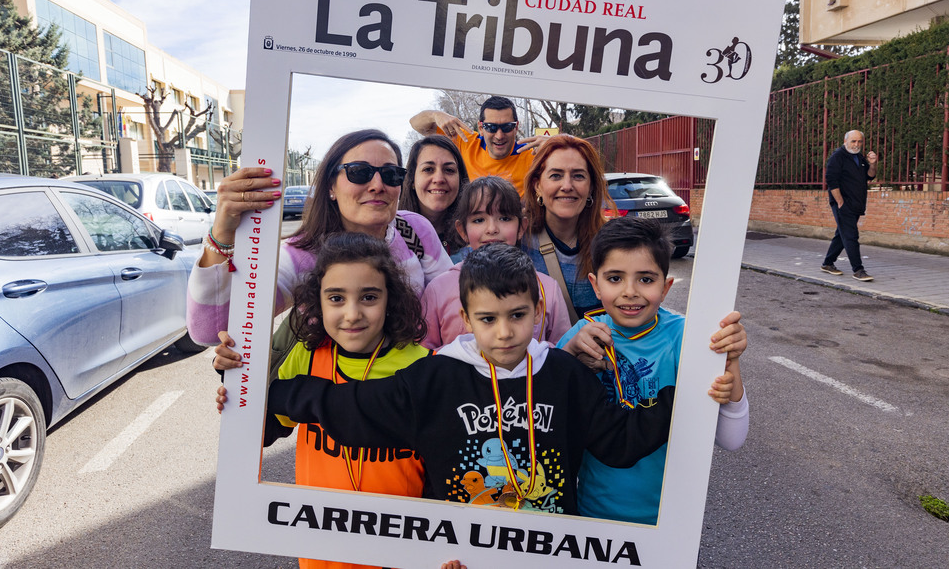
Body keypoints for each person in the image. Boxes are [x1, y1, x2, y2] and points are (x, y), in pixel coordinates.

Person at [263, 243, 738, 515]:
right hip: (457, 551)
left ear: (540, 311)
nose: (505, 331)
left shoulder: (564, 374)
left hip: (549, 551)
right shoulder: (434, 376)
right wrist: (271, 395)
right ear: (466, 319)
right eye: (488, 319)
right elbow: (356, 410)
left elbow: (619, 439)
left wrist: (691, 391)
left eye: (518, 315)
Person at [216, 233, 430, 569]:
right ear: (319, 301)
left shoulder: (423, 366)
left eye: (369, 297)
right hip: (323, 552)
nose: (352, 314)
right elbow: (263, 431)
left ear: (392, 299)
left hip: (403, 550)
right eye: (336, 298)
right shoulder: (307, 356)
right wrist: (237, 389)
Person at [556, 216, 749, 524]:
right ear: (595, 284)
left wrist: (730, 361)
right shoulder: (582, 336)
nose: (630, 291)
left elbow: (731, 439)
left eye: (646, 279)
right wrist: (567, 358)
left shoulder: (690, 339)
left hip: (671, 520)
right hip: (593, 513)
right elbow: (544, 418)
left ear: (666, 285)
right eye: (615, 278)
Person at [188, 129, 452, 348]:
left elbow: (452, 305)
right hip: (335, 397)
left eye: (391, 174)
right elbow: (211, 330)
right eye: (359, 172)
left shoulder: (415, 230)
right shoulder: (300, 254)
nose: (377, 184)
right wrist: (222, 234)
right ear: (330, 187)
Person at [420, 176, 571, 349]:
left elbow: (562, 352)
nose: (492, 229)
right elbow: (425, 354)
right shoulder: (439, 289)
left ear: (521, 227)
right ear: (462, 230)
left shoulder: (547, 289)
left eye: (505, 218)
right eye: (479, 220)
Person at [521, 134, 615, 320]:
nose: (567, 186)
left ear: (591, 187)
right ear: (537, 185)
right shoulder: (518, 240)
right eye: (556, 175)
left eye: (578, 176)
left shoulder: (613, 243)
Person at [408, 95, 544, 196]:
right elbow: (416, 124)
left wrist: (555, 143)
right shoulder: (465, 141)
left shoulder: (532, 156)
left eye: (507, 127)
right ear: (481, 127)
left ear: (516, 127)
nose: (499, 135)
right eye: (491, 127)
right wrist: (435, 115)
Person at [399, 135, 469, 261]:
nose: (439, 179)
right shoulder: (390, 233)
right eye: (428, 169)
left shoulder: (474, 233)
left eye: (449, 170)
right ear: (412, 180)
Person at [821, 129, 878, 282]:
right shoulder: (838, 156)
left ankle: (827, 263)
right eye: (853, 141)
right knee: (851, 236)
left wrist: (872, 164)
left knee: (842, 235)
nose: (856, 144)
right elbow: (831, 180)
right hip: (843, 203)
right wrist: (839, 201)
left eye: (859, 141)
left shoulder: (859, 157)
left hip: (856, 203)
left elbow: (870, 176)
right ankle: (858, 270)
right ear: (845, 141)